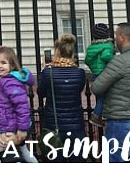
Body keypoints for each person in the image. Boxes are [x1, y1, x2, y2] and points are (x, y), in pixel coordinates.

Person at [91, 23, 130, 163]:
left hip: (119, 122)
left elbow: (96, 88)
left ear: (122, 37)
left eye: (116, 36)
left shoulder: (118, 62)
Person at [37, 33, 87, 163]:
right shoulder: (80, 73)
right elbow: (79, 90)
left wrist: (44, 69)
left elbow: (40, 92)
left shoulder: (48, 73)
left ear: (57, 52)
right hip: (76, 124)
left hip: (54, 124)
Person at [0, 45, 37, 163]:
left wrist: (22, 129)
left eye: (3, 63)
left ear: (12, 65)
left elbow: (22, 106)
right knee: (25, 152)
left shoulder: (9, 82)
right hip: (9, 125)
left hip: (11, 127)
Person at [84, 23, 115, 127]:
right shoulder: (108, 46)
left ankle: (100, 115)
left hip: (96, 74)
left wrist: (94, 68)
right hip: (105, 74)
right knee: (106, 96)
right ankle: (96, 116)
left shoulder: (92, 47)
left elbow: (87, 60)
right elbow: (106, 57)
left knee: (102, 96)